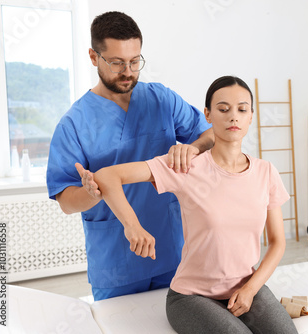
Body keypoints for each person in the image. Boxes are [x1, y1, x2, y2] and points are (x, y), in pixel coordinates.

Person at [93, 76, 298, 333]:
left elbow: (278, 242)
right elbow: (107, 176)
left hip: (246, 287)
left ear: (251, 117)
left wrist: (250, 289)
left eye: (242, 109)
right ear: (208, 115)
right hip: (191, 297)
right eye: (223, 109)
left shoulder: (266, 172)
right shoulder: (186, 166)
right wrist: (132, 226)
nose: (233, 116)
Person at [46, 11, 214, 301]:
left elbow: (210, 135)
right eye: (117, 63)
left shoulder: (161, 99)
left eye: (135, 62)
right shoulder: (74, 123)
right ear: (93, 56)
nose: (128, 72)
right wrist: (91, 194)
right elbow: (66, 202)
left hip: (170, 245)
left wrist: (192, 148)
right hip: (115, 260)